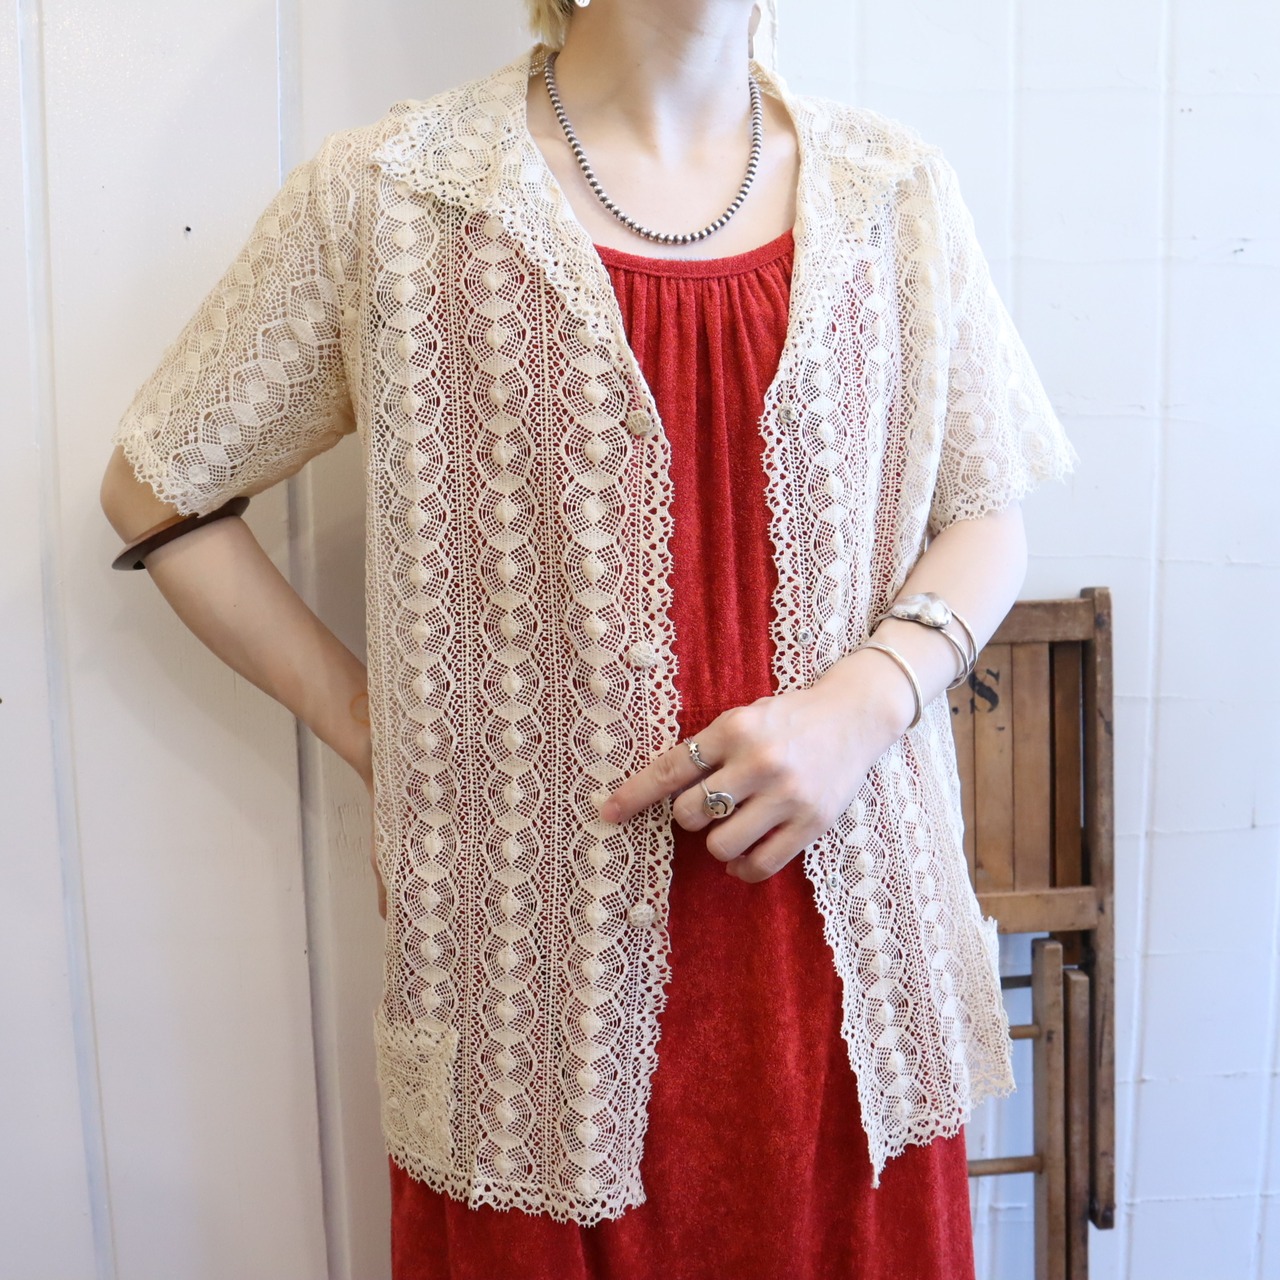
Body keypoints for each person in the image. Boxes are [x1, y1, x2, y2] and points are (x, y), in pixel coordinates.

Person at [99, 1, 1079, 1276]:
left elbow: (984, 509)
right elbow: (157, 490)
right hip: (528, 1000)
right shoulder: (391, 194)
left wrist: (865, 702)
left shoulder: (891, 189)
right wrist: (381, 735)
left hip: (841, 994)